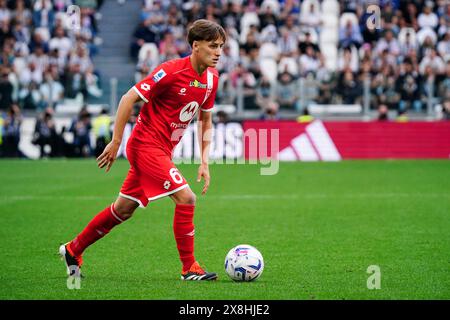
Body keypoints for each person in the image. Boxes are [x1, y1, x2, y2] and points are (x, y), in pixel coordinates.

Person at [59, 19, 226, 281]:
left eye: (221, 47)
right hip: (145, 146)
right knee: (187, 198)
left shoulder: (212, 79)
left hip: (162, 150)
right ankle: (189, 268)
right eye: (213, 46)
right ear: (195, 45)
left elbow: (205, 119)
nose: (218, 52)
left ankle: (73, 249)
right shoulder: (170, 71)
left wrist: (204, 161)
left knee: (123, 209)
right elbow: (128, 98)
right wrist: (115, 142)